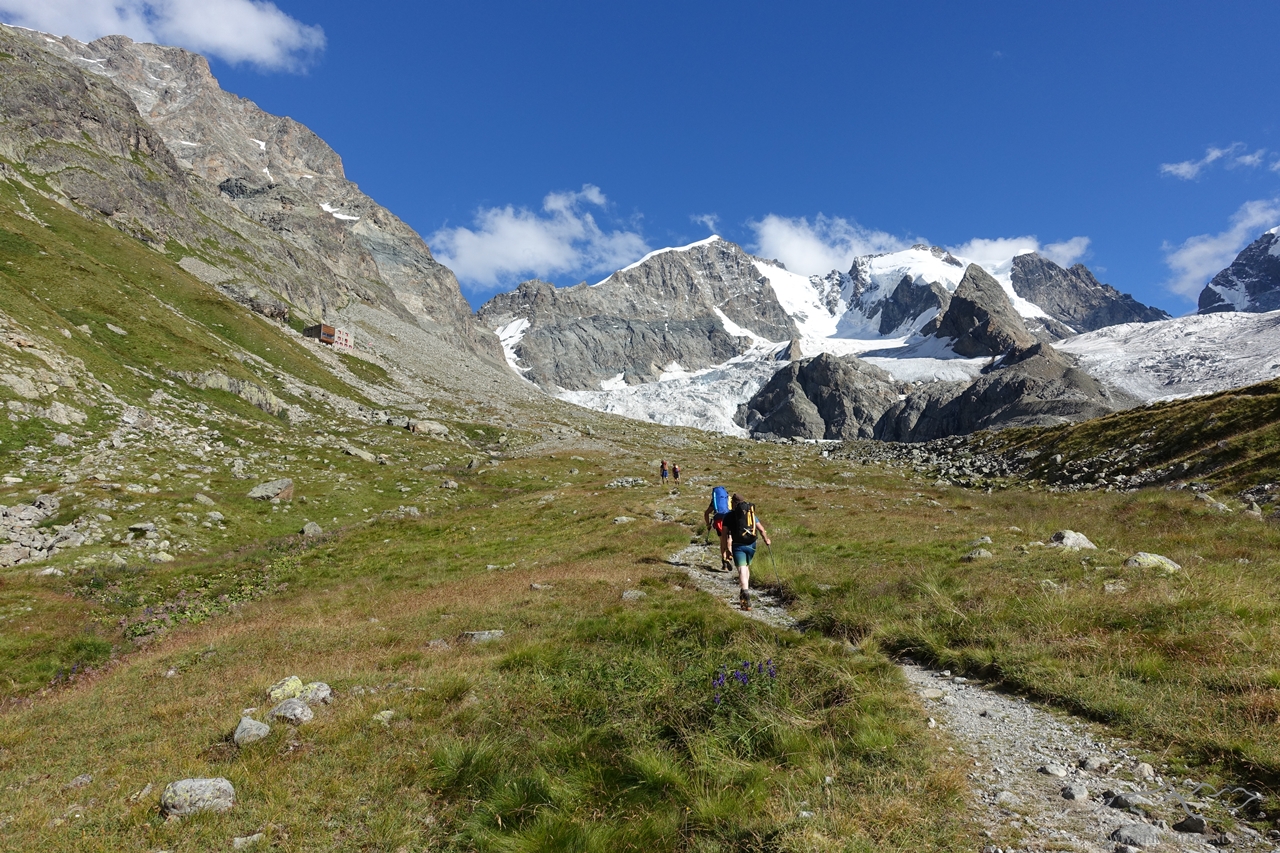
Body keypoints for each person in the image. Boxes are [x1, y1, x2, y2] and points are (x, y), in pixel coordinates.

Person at [728, 493, 771, 611]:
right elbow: (761, 529)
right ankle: (743, 593)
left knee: (741, 569)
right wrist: (766, 540)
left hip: (738, 545)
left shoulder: (730, 515)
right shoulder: (750, 513)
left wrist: (727, 549)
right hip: (751, 545)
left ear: (733, 503)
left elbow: (724, 537)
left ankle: (745, 592)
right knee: (746, 567)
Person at [703, 485, 732, 571]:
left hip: (718, 520)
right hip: (728, 519)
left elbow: (706, 513)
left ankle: (724, 562)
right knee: (729, 538)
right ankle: (728, 554)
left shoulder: (715, 501)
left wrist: (708, 525)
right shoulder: (729, 499)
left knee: (722, 540)